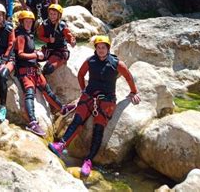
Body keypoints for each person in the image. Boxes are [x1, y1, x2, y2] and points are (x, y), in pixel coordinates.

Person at [48, 35, 141, 177]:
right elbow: (80, 75)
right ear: (96, 49)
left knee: (98, 129)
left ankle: (89, 160)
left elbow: (128, 76)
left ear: (108, 49)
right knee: (78, 120)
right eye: (98, 47)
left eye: (103, 47)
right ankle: (61, 145)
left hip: (107, 100)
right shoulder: (90, 61)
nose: (101, 50)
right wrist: (83, 90)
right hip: (89, 96)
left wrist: (133, 91)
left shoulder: (116, 63)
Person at [14, 10, 75, 137]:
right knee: (29, 93)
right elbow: (20, 54)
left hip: (33, 68)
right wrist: (36, 54)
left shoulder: (28, 33)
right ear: (21, 22)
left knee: (46, 89)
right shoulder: (20, 35)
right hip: (24, 70)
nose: (29, 24)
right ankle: (32, 122)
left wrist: (35, 53)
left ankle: (61, 108)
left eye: (30, 22)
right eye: (26, 22)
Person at [37, 4, 76, 76]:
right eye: (51, 14)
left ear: (59, 15)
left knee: (48, 68)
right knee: (34, 58)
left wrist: (72, 42)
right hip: (49, 49)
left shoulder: (62, 25)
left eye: (54, 14)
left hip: (60, 50)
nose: (52, 16)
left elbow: (69, 36)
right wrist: (48, 40)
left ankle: (61, 61)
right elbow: (40, 36)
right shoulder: (44, 24)